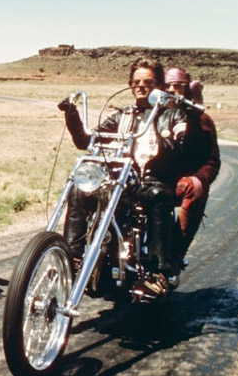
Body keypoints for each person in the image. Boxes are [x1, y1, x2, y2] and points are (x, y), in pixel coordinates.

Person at [58, 58, 190, 295]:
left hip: (150, 180)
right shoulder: (123, 116)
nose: (141, 86)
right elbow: (86, 140)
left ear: (158, 85)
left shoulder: (172, 114)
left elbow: (182, 148)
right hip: (120, 179)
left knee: (159, 195)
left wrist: (168, 138)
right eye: (136, 82)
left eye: (148, 82)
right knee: (81, 188)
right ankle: (74, 257)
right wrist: (71, 115)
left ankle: (157, 272)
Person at [164, 67, 221, 261]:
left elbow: (212, 161)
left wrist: (199, 178)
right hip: (153, 179)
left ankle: (175, 255)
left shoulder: (202, 120)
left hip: (181, 182)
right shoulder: (152, 115)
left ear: (186, 89)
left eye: (177, 85)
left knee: (194, 187)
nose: (171, 89)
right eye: (167, 85)